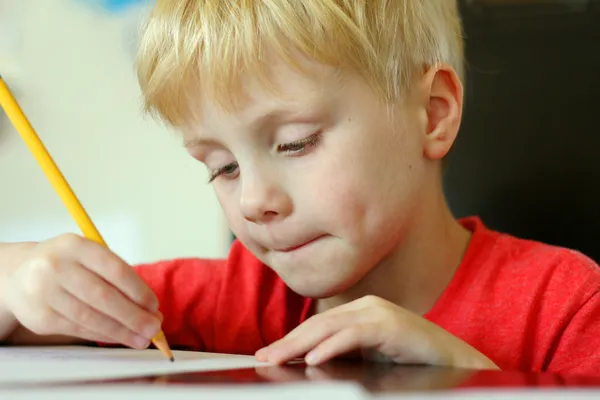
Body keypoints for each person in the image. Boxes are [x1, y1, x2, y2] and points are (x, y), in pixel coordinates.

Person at [1, 0, 599, 375]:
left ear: (433, 115)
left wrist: (471, 381)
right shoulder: (232, 300)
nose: (254, 201)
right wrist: (18, 278)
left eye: (294, 143)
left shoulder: (570, 309)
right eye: (222, 167)